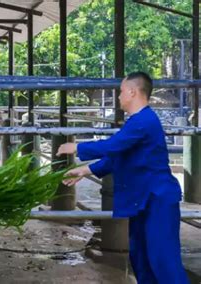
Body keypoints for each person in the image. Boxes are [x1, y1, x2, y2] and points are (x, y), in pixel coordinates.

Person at [56, 72, 189, 284]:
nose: (118, 97)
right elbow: (120, 155)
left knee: (163, 260)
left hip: (157, 200)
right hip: (143, 199)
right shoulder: (137, 121)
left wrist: (78, 146)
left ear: (132, 92)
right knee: (141, 258)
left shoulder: (144, 121)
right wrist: (85, 170)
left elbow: (113, 146)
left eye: (120, 92)